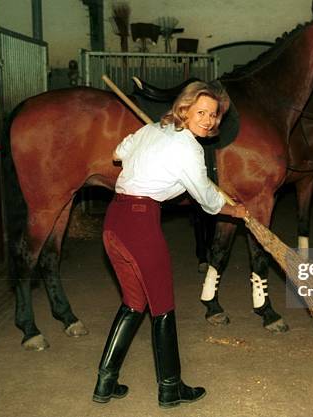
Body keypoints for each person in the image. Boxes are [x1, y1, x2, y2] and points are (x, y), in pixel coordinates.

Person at [92, 81, 248, 407]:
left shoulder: (153, 129)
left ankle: (105, 382)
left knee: (134, 304)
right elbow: (206, 198)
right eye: (201, 112)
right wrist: (234, 210)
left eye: (213, 115)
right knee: (162, 307)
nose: (207, 120)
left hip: (114, 222)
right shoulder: (189, 148)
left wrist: (146, 147)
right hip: (139, 223)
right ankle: (170, 387)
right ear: (184, 110)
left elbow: (118, 153)